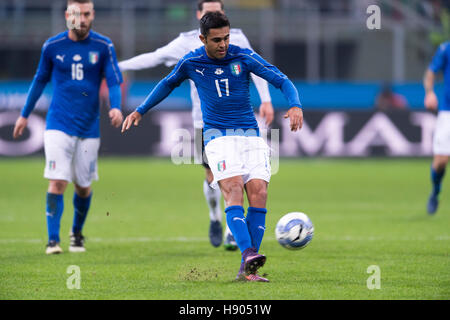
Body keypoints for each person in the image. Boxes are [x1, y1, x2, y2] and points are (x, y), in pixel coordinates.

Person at [122, 12, 303, 282]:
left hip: (250, 136)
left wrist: (295, 104)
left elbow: (281, 79)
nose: (223, 44)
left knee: (260, 193)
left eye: (226, 38)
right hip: (217, 137)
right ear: (202, 38)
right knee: (232, 190)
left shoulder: (243, 56)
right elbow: (167, 84)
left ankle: (248, 267)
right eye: (217, 39)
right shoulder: (191, 60)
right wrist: (140, 110)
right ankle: (249, 253)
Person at [12, 0, 123, 254]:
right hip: (58, 123)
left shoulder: (103, 45)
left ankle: (77, 233)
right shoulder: (52, 46)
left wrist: (115, 106)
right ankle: (53, 240)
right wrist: (24, 114)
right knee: (57, 181)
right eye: (76, 14)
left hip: (89, 127)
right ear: (67, 15)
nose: (81, 19)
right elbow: (39, 80)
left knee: (83, 186)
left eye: (86, 14)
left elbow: (114, 80)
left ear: (92, 14)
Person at [424, 40, 450, 215]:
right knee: (441, 161)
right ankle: (436, 190)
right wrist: (429, 92)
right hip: (448, 111)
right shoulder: (446, 48)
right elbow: (431, 73)